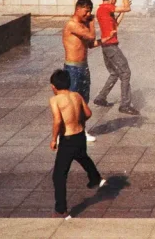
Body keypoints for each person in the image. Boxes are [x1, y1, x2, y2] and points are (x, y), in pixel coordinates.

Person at [49, 69, 106, 218]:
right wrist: (78, 121)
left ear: (53, 87)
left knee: (59, 176)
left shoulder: (55, 100)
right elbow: (88, 114)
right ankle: (95, 178)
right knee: (82, 156)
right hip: (80, 135)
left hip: (67, 139)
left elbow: (57, 121)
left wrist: (54, 139)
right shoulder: (76, 96)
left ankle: (61, 209)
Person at [62, 0, 111, 142]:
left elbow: (89, 44)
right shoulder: (72, 25)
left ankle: (81, 130)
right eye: (86, 11)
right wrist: (92, 22)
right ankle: (65, 133)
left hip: (83, 67)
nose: (88, 14)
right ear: (77, 9)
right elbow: (90, 35)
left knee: (83, 100)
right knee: (72, 102)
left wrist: (105, 40)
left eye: (90, 11)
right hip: (72, 68)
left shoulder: (81, 25)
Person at [93, 0, 139, 116]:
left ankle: (101, 97)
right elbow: (127, 8)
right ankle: (125, 105)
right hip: (111, 47)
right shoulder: (106, 7)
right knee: (125, 73)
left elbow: (116, 23)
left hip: (107, 47)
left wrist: (122, 12)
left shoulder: (104, 10)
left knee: (114, 73)